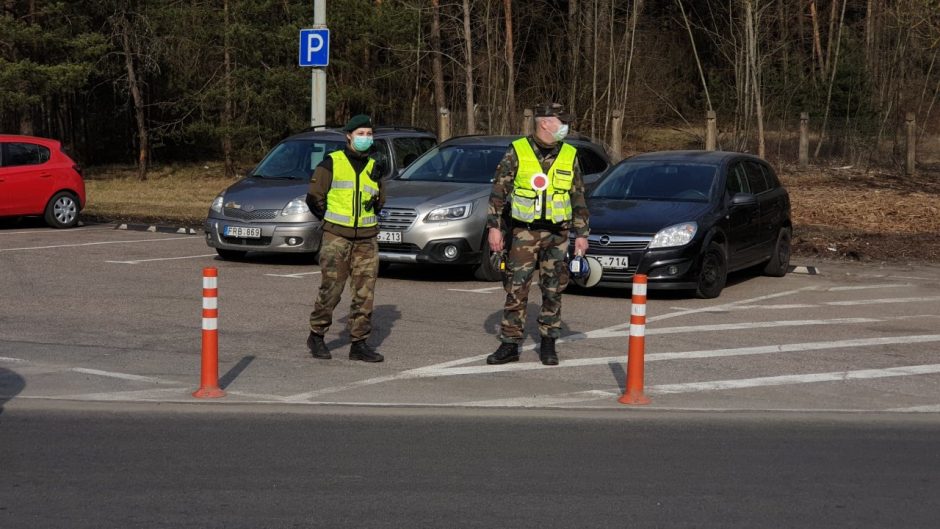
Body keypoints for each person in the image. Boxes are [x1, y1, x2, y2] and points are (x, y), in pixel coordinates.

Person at [485, 103, 590, 366]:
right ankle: (509, 344)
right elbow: (499, 191)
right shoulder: (518, 150)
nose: (565, 126)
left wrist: (581, 233)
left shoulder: (570, 154)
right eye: (561, 121)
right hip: (525, 232)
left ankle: (548, 344)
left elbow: (577, 194)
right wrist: (494, 228)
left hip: (558, 233)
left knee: (553, 289)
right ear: (545, 123)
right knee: (516, 287)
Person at [305, 114, 385, 362]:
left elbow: (379, 200)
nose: (365, 138)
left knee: (365, 293)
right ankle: (316, 335)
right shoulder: (332, 162)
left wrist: (373, 206)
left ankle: (359, 343)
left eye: (369, 134)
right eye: (361, 133)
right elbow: (314, 197)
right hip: (337, 237)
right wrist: (329, 222)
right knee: (332, 289)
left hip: (367, 238)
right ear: (349, 136)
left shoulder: (374, 165)